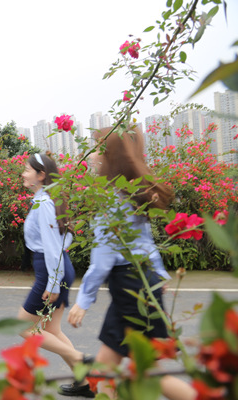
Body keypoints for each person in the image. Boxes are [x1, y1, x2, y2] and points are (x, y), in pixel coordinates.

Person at [67, 127, 196, 400]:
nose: (92, 157)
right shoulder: (132, 194)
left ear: (111, 156)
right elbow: (145, 242)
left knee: (144, 372)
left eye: (97, 150)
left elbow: (103, 257)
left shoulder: (109, 199)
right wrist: (158, 275)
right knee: (105, 368)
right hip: (141, 282)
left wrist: (84, 299)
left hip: (129, 288)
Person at [19, 153, 94, 398]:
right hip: (57, 267)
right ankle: (84, 383)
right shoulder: (45, 200)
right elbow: (62, 240)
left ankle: (80, 359)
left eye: (27, 170)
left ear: (41, 175)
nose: (23, 173)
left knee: (23, 326)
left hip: (52, 270)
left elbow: (52, 248)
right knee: (52, 329)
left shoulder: (44, 204)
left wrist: (52, 283)